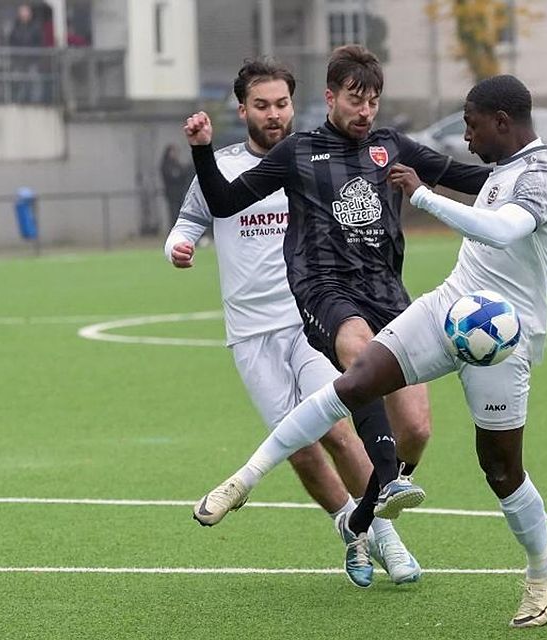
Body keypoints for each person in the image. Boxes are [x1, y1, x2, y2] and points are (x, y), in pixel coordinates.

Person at [184, 45, 547, 588]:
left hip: (384, 287)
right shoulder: (299, 151)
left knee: (417, 428)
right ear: (330, 97)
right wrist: (203, 150)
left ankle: (372, 504)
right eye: (356, 100)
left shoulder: (389, 145)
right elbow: (223, 201)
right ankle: (349, 485)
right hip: (324, 288)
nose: (366, 111)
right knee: (356, 353)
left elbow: (466, 177)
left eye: (373, 101)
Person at [166, 58, 421, 586]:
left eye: (282, 103)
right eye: (262, 105)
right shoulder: (226, 169)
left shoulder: (312, 157)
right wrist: (181, 244)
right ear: (243, 110)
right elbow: (194, 217)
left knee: (338, 431)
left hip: (311, 320)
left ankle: (388, 538)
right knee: (301, 450)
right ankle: (352, 531)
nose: (274, 114)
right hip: (249, 333)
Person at [7, 4, 43, 103]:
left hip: (32, 60)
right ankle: (20, 101)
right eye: (22, 13)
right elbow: (11, 42)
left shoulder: (35, 27)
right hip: (19, 60)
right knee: (19, 81)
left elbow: (39, 42)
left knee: (34, 80)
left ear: (30, 14)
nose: (24, 15)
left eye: (26, 13)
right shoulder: (15, 27)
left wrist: (35, 54)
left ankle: (36, 102)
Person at [160, 144, 192, 229]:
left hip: (180, 193)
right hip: (172, 194)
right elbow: (173, 176)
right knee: (174, 213)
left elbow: (183, 175)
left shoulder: (177, 164)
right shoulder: (166, 165)